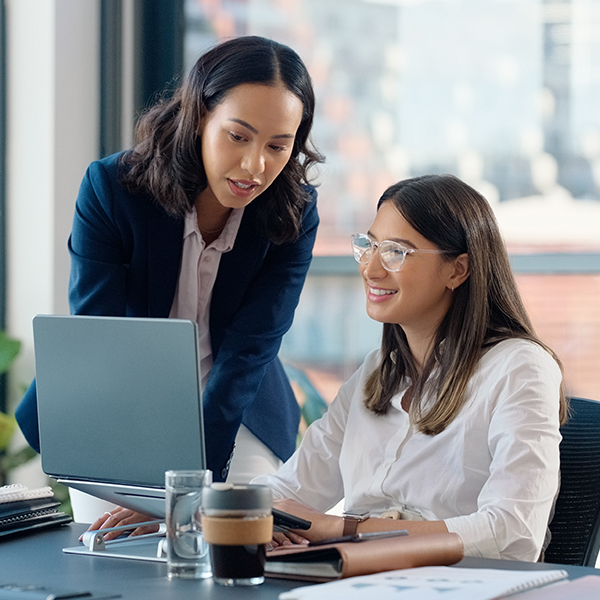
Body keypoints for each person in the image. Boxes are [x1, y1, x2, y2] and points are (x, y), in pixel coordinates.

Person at [15, 36, 324, 488]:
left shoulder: (294, 211)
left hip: (236, 410)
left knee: (233, 539)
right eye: (237, 136)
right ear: (200, 117)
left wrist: (197, 480)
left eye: (278, 146)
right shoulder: (113, 188)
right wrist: (142, 470)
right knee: (110, 547)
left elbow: (250, 348)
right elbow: (103, 336)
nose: (254, 166)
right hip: (115, 397)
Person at [253, 174, 568, 562]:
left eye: (396, 252)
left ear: (458, 270)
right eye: (368, 246)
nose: (371, 269)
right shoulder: (375, 373)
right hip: (365, 581)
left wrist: (341, 529)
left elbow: (512, 534)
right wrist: (251, 516)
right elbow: (288, 493)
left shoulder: (519, 368)